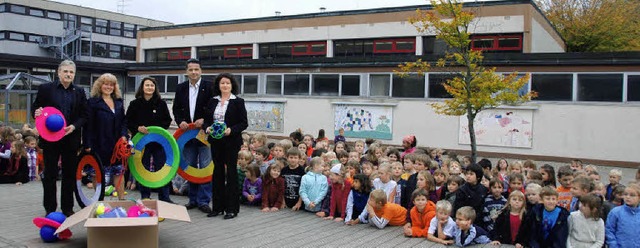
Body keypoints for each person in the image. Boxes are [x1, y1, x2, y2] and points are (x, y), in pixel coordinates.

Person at [32, 60, 89, 217]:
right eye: (65, 71)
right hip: (50, 138)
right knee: (50, 174)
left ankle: (67, 208)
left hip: (70, 138)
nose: (68, 74)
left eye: (71, 72)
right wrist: (36, 112)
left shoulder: (79, 91)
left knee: (69, 174)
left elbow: (85, 115)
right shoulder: (46, 89)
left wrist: (74, 127)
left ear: (74, 74)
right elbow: (36, 107)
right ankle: (50, 208)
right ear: (59, 72)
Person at [204, 73, 248, 219]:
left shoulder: (238, 102)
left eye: (227, 83)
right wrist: (207, 128)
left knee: (231, 173)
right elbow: (206, 121)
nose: (225, 85)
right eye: (222, 83)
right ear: (218, 85)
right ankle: (217, 207)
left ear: (232, 85)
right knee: (217, 173)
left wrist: (231, 130)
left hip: (231, 142)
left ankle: (231, 209)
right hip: (216, 142)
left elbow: (243, 122)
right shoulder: (212, 101)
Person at [173, 58, 213, 214]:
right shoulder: (181, 88)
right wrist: (180, 121)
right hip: (186, 135)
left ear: (201, 70)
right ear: (186, 71)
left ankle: (204, 201)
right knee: (189, 167)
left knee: (204, 167)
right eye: (191, 69)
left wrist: (205, 120)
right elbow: (176, 109)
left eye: (196, 69)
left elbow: (213, 108)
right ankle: (193, 199)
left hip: (204, 134)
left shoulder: (209, 86)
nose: (194, 72)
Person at [125, 77, 173, 203]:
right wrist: (137, 128)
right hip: (141, 143)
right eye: (147, 85)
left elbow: (167, 121)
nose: (149, 87)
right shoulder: (134, 104)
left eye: (152, 85)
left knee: (162, 168)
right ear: (142, 87)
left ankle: (165, 197)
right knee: (143, 168)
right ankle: (145, 196)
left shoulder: (161, 104)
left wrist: (157, 130)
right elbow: (128, 121)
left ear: (155, 88)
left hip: (158, 143)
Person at [83, 73, 128, 200]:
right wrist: (87, 144)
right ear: (100, 85)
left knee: (119, 172)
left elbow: (124, 121)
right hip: (99, 143)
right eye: (106, 84)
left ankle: (122, 200)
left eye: (111, 85)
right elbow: (88, 125)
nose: (108, 87)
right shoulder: (92, 103)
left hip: (117, 144)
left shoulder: (119, 102)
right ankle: (99, 200)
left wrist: (124, 135)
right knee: (98, 172)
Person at [605, 182, 640, 248]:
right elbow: (609, 230)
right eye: (625, 194)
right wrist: (613, 245)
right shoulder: (616, 212)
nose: (628, 197)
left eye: (632, 195)